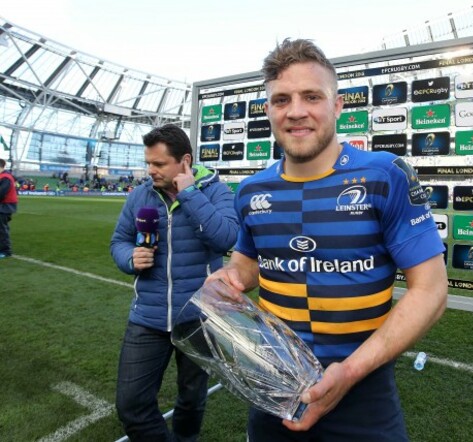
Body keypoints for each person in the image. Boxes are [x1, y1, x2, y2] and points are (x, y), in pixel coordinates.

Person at [204, 39, 448, 441]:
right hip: (274, 393)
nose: (296, 111)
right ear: (268, 110)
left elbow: (432, 292)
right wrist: (231, 278)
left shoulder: (385, 175)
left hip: (363, 398)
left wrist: (349, 372)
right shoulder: (251, 190)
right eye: (281, 99)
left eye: (311, 97)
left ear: (337, 106)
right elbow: (248, 263)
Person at [110, 124, 239, 441]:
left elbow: (227, 238)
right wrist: (130, 258)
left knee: (192, 399)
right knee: (131, 405)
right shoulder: (141, 195)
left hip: (198, 317)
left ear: (185, 161)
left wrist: (190, 194)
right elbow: (119, 241)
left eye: (158, 164)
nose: (150, 171)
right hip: (148, 316)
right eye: (148, 163)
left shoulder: (216, 191)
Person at [0, 158, 18, 259]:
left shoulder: (5, 178)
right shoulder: (3, 176)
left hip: (5, 207)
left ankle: (6, 251)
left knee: (2, 229)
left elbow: (1, 193)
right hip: (4, 206)